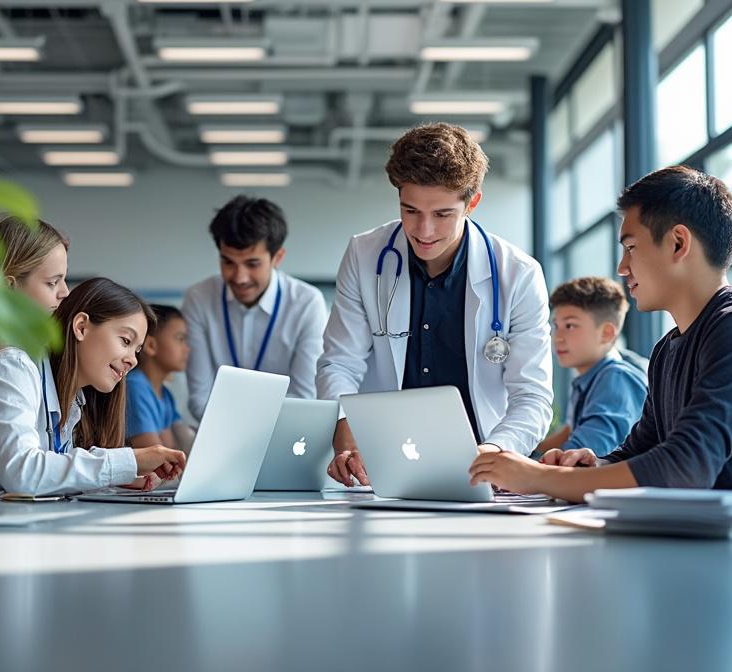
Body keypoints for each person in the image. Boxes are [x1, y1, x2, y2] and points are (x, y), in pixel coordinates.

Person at [470, 166, 732, 516]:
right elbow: (640, 450)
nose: (622, 267)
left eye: (631, 247)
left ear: (678, 243)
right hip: (695, 542)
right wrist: (592, 466)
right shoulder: (668, 349)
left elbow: (685, 467)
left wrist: (540, 477)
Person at [317, 122, 554, 487]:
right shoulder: (365, 255)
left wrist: (495, 453)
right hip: (381, 463)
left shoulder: (518, 274)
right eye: (410, 211)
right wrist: (343, 422)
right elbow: (340, 361)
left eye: (442, 214)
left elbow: (532, 396)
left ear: (471, 202)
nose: (424, 231)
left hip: (480, 466)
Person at [0, 217, 185, 496]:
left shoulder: (43, 374)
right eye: (52, 282)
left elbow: (46, 469)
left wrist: (111, 476)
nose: (65, 293)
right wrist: (128, 461)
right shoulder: (7, 365)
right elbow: (24, 474)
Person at [183, 195, 328, 418]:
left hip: (284, 434)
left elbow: (304, 396)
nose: (240, 278)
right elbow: (200, 396)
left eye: (252, 264)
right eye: (228, 262)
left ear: (277, 257)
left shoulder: (307, 303)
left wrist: (248, 425)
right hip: (219, 432)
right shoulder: (199, 299)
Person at [534, 277, 647, 458]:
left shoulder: (616, 379)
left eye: (570, 326)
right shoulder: (590, 378)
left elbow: (580, 456)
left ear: (606, 333)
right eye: (556, 326)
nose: (557, 337)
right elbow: (568, 433)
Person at [125, 304, 189, 448]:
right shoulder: (135, 387)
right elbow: (158, 460)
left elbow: (170, 450)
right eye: (180, 339)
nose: (187, 348)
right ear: (151, 345)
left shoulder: (165, 395)